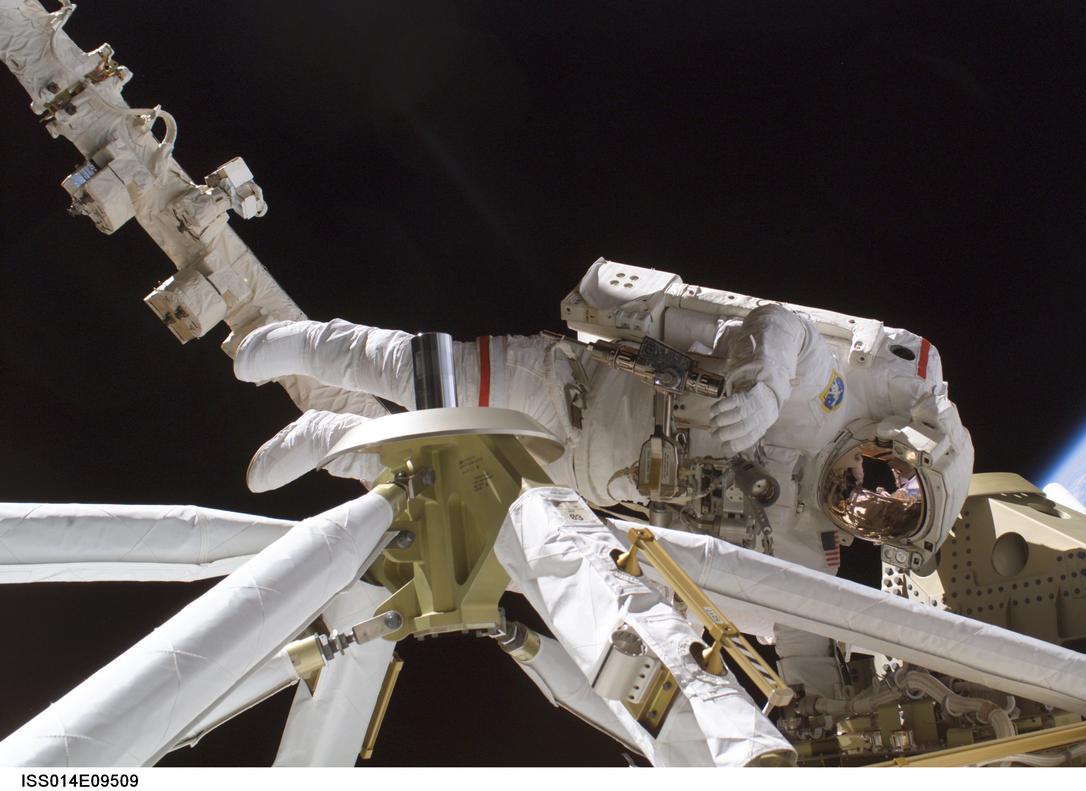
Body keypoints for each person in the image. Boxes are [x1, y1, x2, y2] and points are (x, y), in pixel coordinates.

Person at [233, 271, 973, 704]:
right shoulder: (830, 402)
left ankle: (329, 440)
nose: (874, 498)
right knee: (423, 375)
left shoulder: (813, 553)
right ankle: (308, 344)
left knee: (444, 488)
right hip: (579, 391)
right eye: (894, 483)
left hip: (582, 476)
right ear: (894, 449)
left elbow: (808, 660)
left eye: (888, 519)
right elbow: (783, 329)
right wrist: (761, 390)